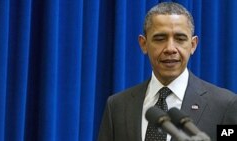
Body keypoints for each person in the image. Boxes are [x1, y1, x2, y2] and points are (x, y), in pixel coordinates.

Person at [97, 2, 237, 141]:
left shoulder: (224, 105)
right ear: (143, 44)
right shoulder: (117, 106)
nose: (170, 48)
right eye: (160, 39)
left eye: (180, 39)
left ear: (193, 45)